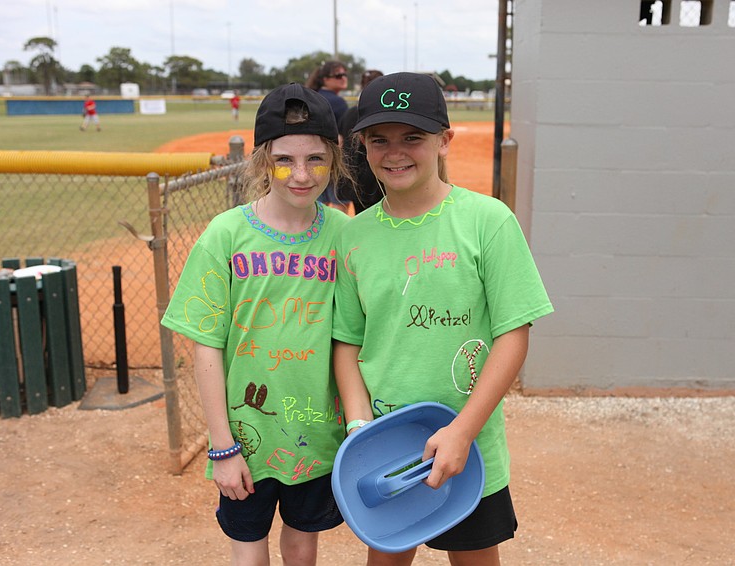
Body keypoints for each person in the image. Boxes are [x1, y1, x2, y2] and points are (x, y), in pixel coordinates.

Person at [332, 72, 553, 566]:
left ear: (444, 140)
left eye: (413, 137)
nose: (395, 152)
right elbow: (346, 341)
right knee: (386, 557)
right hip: (386, 445)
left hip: (468, 442)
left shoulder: (487, 220)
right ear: (361, 146)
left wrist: (463, 430)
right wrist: (359, 425)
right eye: (379, 139)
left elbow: (513, 333)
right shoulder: (353, 236)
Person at [161, 83, 352, 565]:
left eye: (316, 159)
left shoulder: (345, 235)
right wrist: (222, 447)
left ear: (334, 158)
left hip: (315, 432)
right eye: (285, 159)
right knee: (248, 548)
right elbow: (205, 345)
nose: (302, 174)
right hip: (245, 437)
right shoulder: (226, 235)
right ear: (262, 160)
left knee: (303, 542)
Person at [338, 69, 384, 214]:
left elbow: (340, 142)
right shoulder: (381, 114)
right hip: (374, 177)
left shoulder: (351, 112)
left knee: (361, 216)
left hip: (352, 175)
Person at [306, 61, 350, 212]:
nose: (343, 78)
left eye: (345, 74)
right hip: (333, 157)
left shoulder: (311, 96)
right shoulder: (337, 102)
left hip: (311, 157)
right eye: (338, 75)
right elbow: (344, 135)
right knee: (339, 204)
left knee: (317, 205)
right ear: (325, 79)